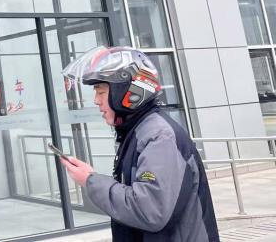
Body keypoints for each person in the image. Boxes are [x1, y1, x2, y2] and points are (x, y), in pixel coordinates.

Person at [60, 46, 219, 242]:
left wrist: (90, 180)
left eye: (101, 92)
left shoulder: (158, 136)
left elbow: (150, 210)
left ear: (127, 92)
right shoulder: (138, 131)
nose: (96, 100)